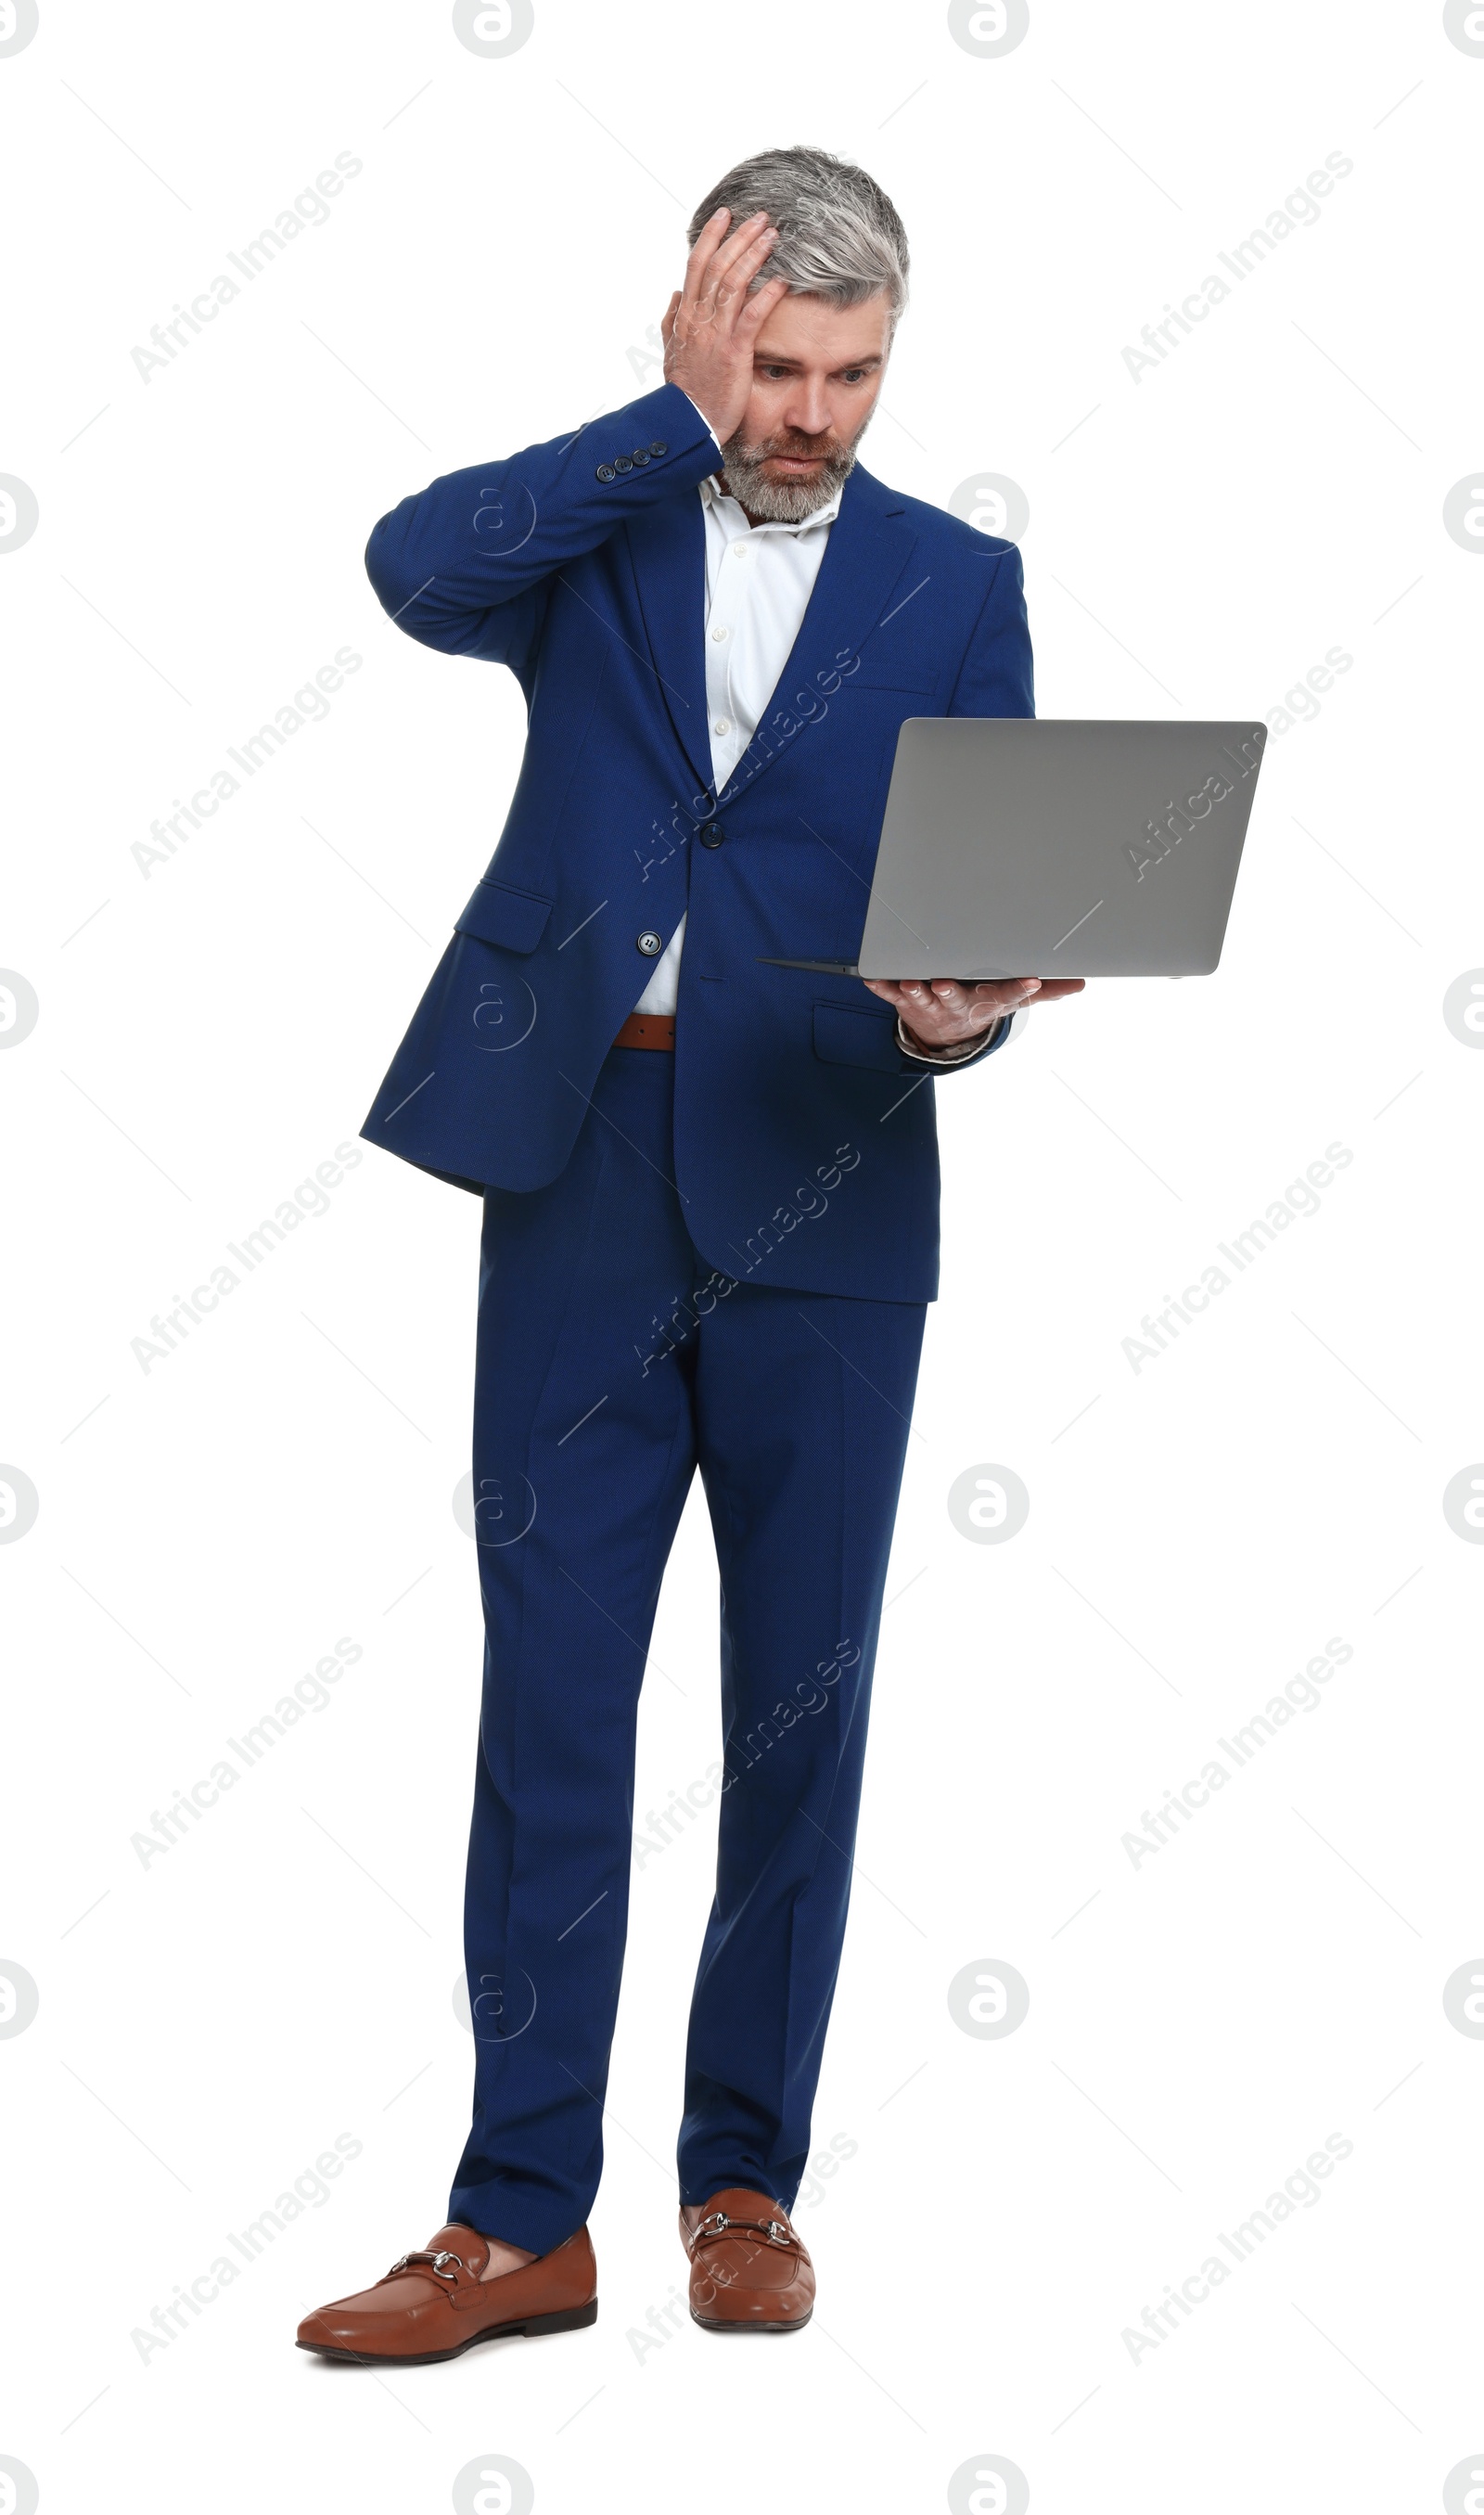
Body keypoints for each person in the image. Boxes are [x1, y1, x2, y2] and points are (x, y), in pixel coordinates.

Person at [296, 144, 1081, 2367]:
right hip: (580, 1163)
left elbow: (982, 892)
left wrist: (960, 1013)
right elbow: (406, 567)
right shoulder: (609, 517)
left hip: (828, 1166)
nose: (813, 410)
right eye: (777, 363)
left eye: (850, 370)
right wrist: (663, 413)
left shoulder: (956, 580)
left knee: (792, 1715)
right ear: (709, 328)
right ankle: (514, 2215)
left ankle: (742, 2181)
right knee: (550, 1701)